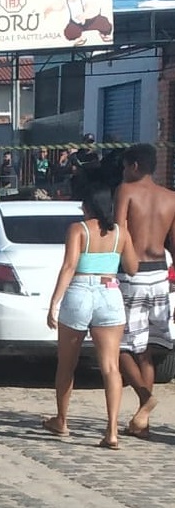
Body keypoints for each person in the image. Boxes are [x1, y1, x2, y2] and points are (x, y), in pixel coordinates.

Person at [44, 184, 137, 449]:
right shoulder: (121, 233)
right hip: (110, 292)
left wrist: (54, 302)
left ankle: (62, 420)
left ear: (88, 207)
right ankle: (112, 431)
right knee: (110, 366)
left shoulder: (78, 229)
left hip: (80, 291)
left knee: (67, 363)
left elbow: (70, 265)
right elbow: (131, 268)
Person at [114, 143, 175, 438]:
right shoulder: (170, 197)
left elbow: (119, 233)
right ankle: (142, 422)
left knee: (120, 345)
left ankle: (144, 398)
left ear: (135, 166)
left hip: (133, 272)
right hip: (160, 275)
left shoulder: (126, 191)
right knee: (147, 351)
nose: (124, 172)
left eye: (126, 166)